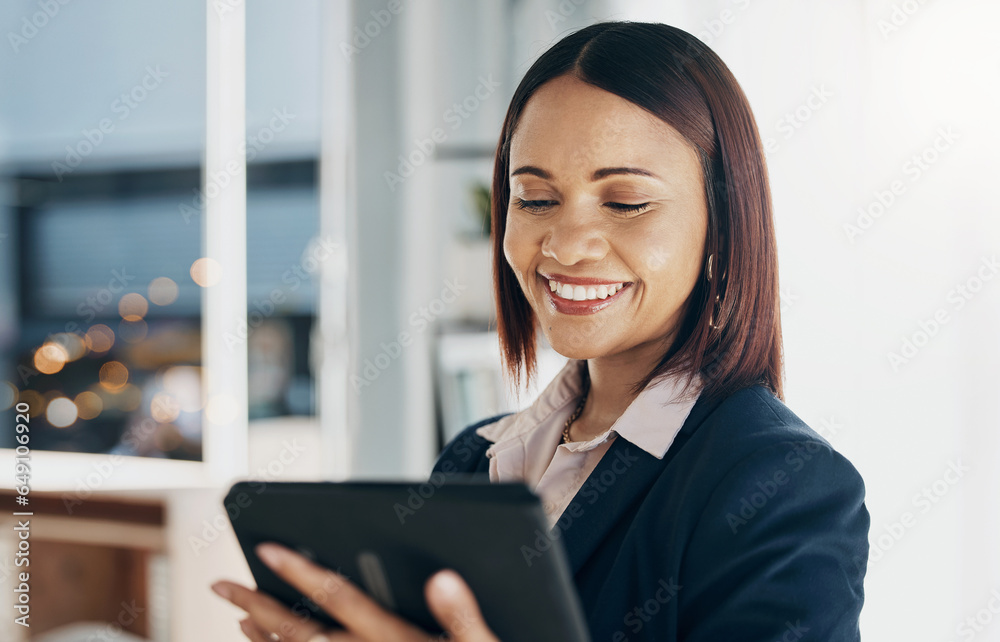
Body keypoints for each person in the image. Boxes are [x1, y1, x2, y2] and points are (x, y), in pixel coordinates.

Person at [211, 20, 869, 641]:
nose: (567, 245)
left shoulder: (784, 484)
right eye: (535, 199)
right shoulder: (478, 459)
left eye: (626, 203)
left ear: (722, 230)